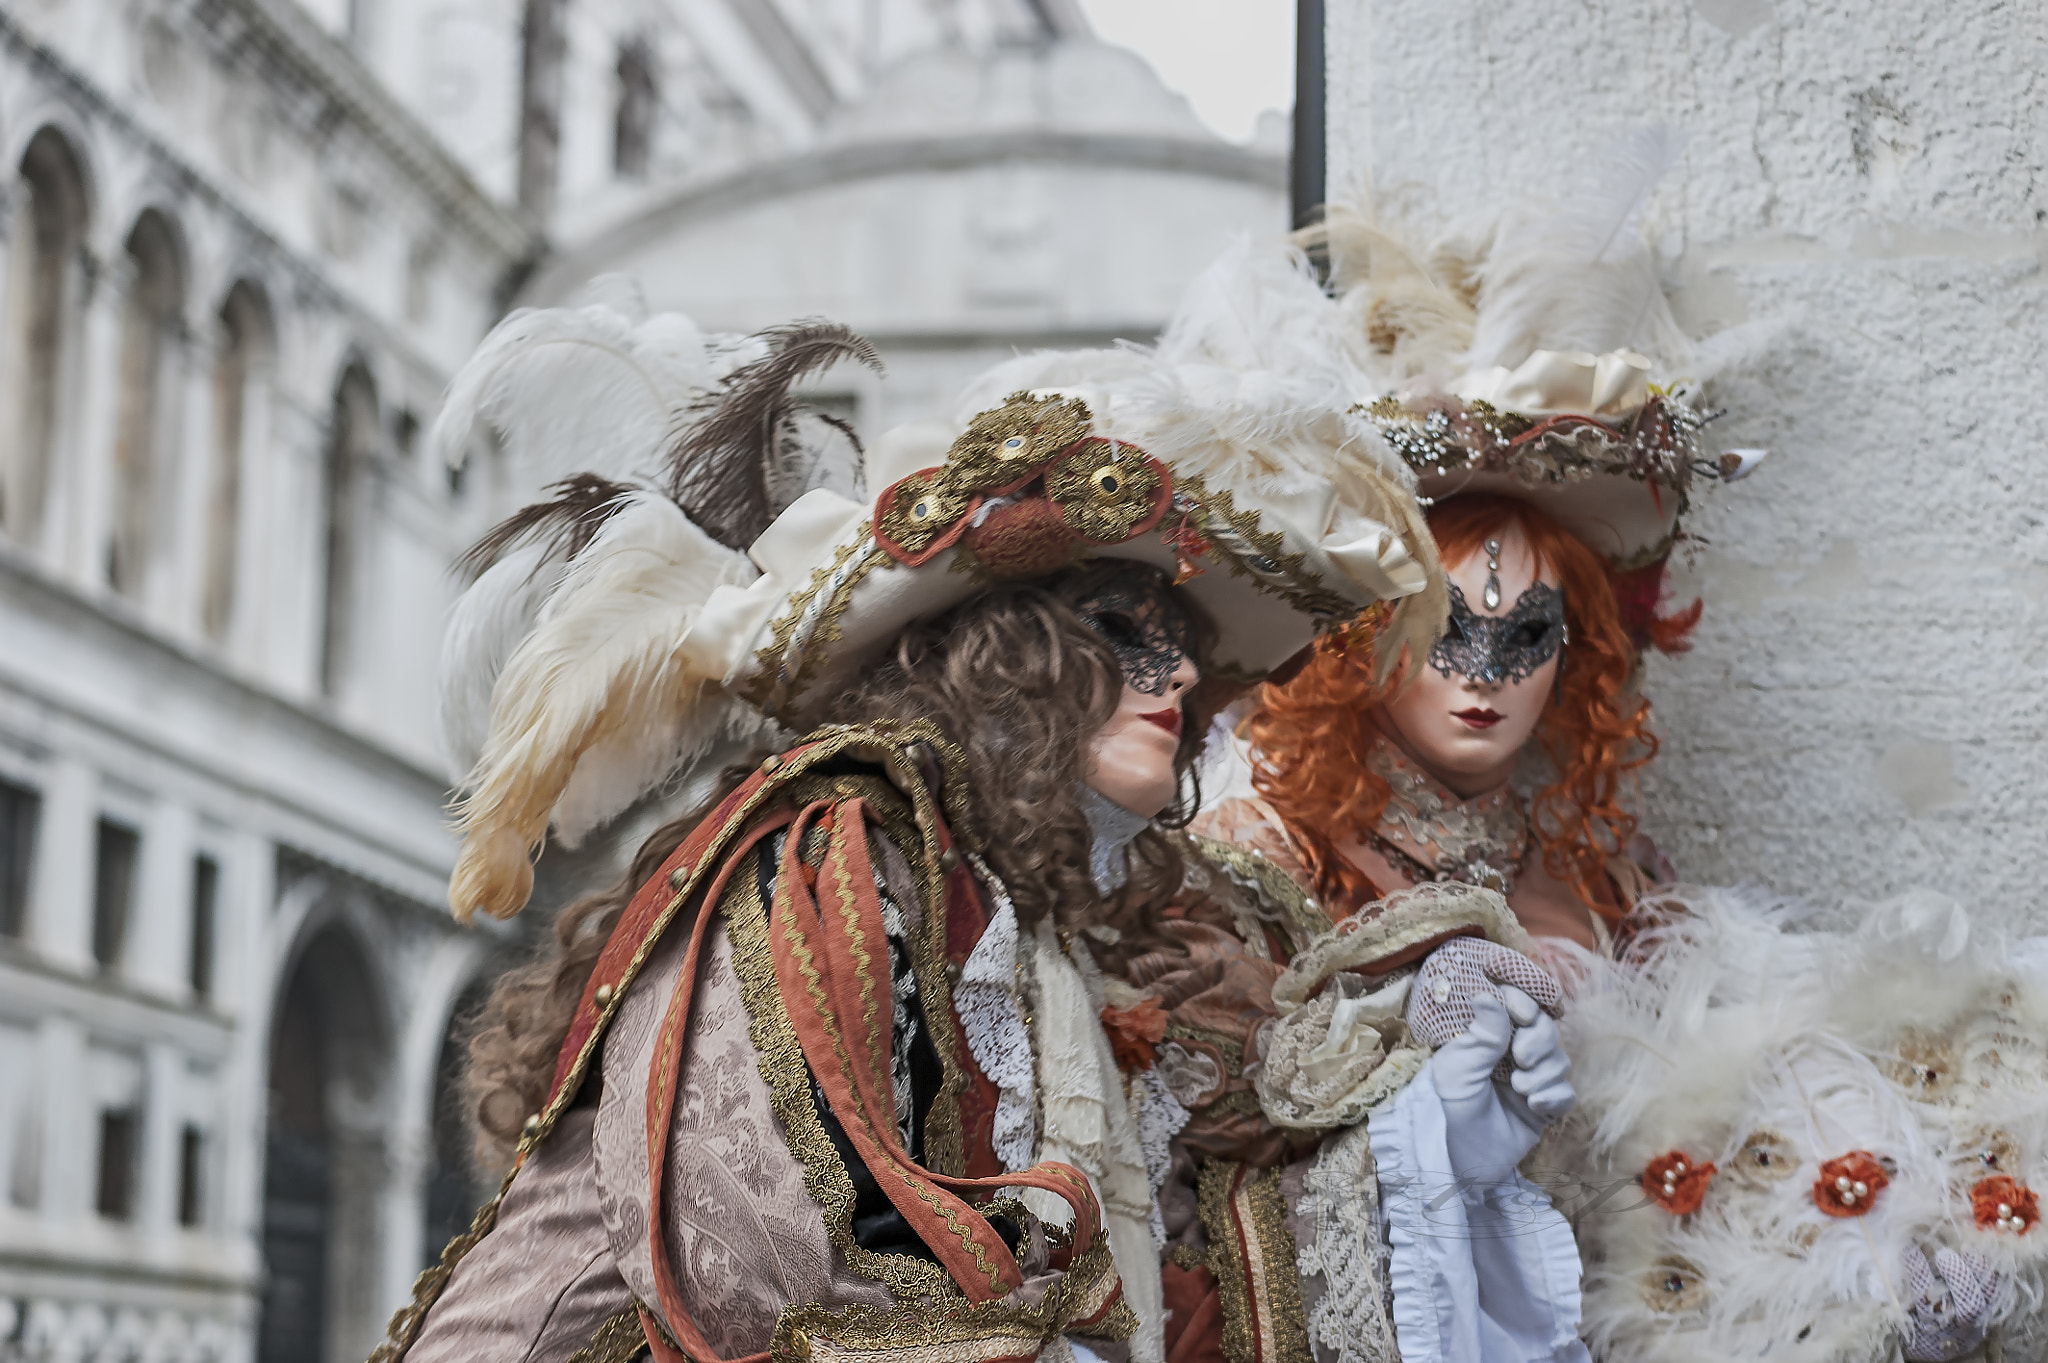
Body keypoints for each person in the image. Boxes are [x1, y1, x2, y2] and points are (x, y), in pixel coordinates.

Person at [363, 241, 1437, 1363]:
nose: (1174, 681)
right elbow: (767, 1248)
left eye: (1186, 651)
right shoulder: (830, 855)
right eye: (1124, 638)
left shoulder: (1050, 916)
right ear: (1012, 664)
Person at [1103, 172, 1768, 1363]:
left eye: (1527, 638)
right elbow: (1209, 1165)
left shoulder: (1609, 869)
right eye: (1445, 629)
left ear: (1580, 660)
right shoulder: (1257, 854)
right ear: (1369, 638)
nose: (1486, 672)